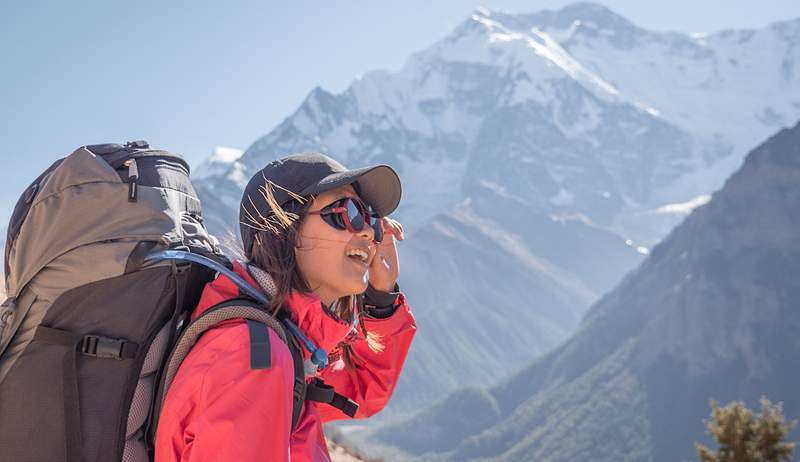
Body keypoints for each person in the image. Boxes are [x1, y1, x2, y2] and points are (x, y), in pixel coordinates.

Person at [154, 152, 417, 461]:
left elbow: (363, 389)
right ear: (284, 227)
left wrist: (381, 296)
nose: (368, 233)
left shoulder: (285, 344)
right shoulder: (254, 358)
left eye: (371, 220)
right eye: (347, 212)